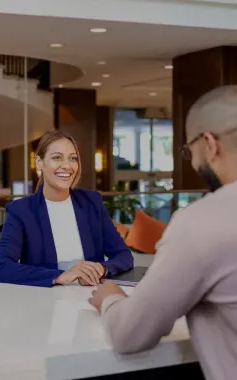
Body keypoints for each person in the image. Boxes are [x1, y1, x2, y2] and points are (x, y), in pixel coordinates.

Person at [89, 85, 237, 380]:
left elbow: (130, 334)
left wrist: (111, 298)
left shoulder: (200, 223)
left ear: (209, 144)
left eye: (189, 151)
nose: (194, 163)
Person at [0, 130, 133, 287]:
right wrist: (59, 276)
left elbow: (123, 255)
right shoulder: (21, 210)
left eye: (72, 158)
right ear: (39, 163)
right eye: (57, 157)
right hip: (44, 303)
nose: (67, 166)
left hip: (90, 297)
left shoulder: (91, 203)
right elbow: (2, 268)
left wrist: (101, 268)